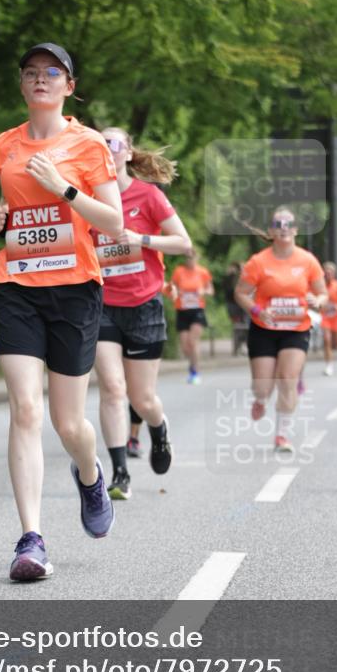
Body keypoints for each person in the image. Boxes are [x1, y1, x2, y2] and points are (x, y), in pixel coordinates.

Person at [0, 42, 123, 582]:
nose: (40, 79)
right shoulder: (5, 143)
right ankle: (31, 540)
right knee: (25, 408)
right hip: (14, 283)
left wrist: (62, 188)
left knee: (70, 423)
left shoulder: (88, 145)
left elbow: (112, 223)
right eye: (31, 73)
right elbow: (16, 213)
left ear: (69, 86)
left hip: (74, 290)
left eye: (52, 73)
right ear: (22, 85)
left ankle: (90, 475)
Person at [92, 127, 192, 500]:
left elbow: (184, 243)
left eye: (114, 143)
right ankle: (119, 474)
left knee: (142, 398)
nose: (107, 149)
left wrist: (141, 240)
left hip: (144, 304)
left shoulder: (147, 196)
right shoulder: (88, 201)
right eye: (99, 144)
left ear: (128, 152)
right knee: (112, 389)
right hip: (102, 306)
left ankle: (158, 428)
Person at [234, 206, 326, 453]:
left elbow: (323, 293)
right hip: (264, 327)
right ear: (272, 231)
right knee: (263, 385)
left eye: (288, 224)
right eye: (278, 224)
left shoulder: (307, 261)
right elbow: (241, 293)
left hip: (296, 328)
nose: (284, 229)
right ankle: (261, 399)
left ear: (295, 230)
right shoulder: (258, 262)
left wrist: (318, 301)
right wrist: (256, 311)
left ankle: (282, 435)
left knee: (287, 379)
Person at [168, 250, 213, 384]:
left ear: (197, 257)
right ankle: (192, 364)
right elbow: (171, 288)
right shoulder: (179, 271)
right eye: (187, 257)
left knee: (193, 341)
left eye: (192, 257)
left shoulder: (202, 272)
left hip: (197, 310)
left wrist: (203, 291)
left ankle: (196, 371)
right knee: (185, 346)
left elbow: (211, 290)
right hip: (182, 310)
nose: (189, 260)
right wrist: (177, 292)